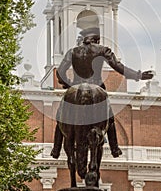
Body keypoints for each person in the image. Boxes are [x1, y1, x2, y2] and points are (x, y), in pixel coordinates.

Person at [51, 27, 153, 159]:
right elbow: (118, 67)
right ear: (97, 39)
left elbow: (60, 72)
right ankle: (114, 148)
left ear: (84, 39)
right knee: (109, 118)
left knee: (61, 118)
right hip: (97, 86)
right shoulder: (102, 50)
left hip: (75, 87)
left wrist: (68, 84)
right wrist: (138, 75)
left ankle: (56, 149)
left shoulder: (72, 52)